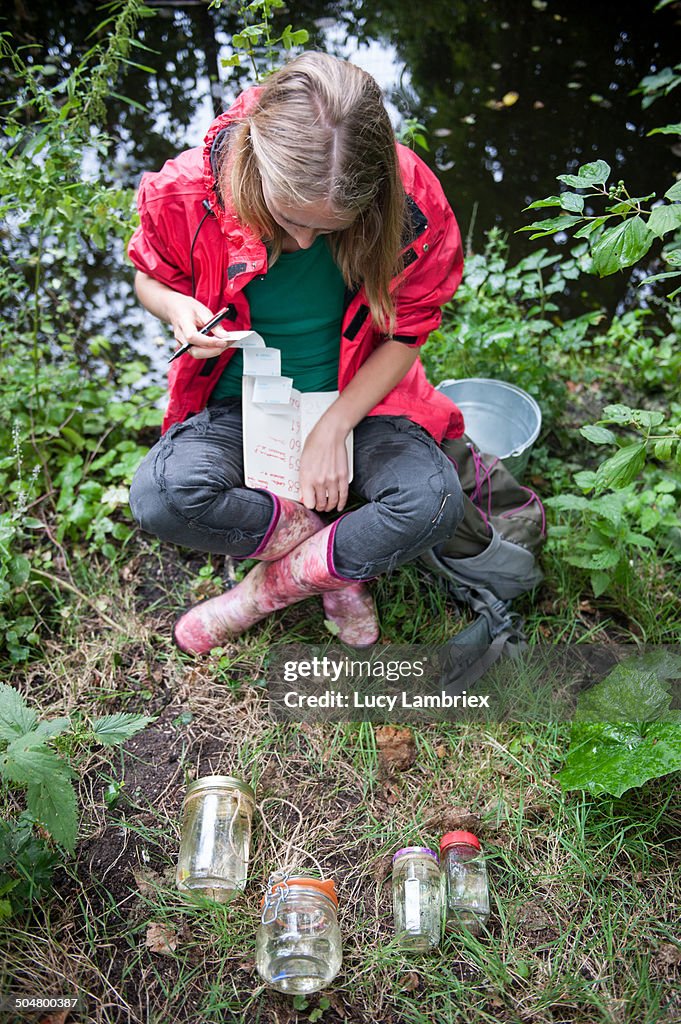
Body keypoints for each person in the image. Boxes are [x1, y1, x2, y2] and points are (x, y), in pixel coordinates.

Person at [128, 51, 466, 655]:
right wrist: (175, 307)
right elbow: (147, 278)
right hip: (243, 404)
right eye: (288, 220)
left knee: (434, 500)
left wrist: (334, 427)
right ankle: (326, 554)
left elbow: (408, 330)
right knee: (161, 495)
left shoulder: (410, 201)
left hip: (364, 400)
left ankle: (265, 591)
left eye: (331, 227)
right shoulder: (184, 192)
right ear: (257, 169)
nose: (305, 242)